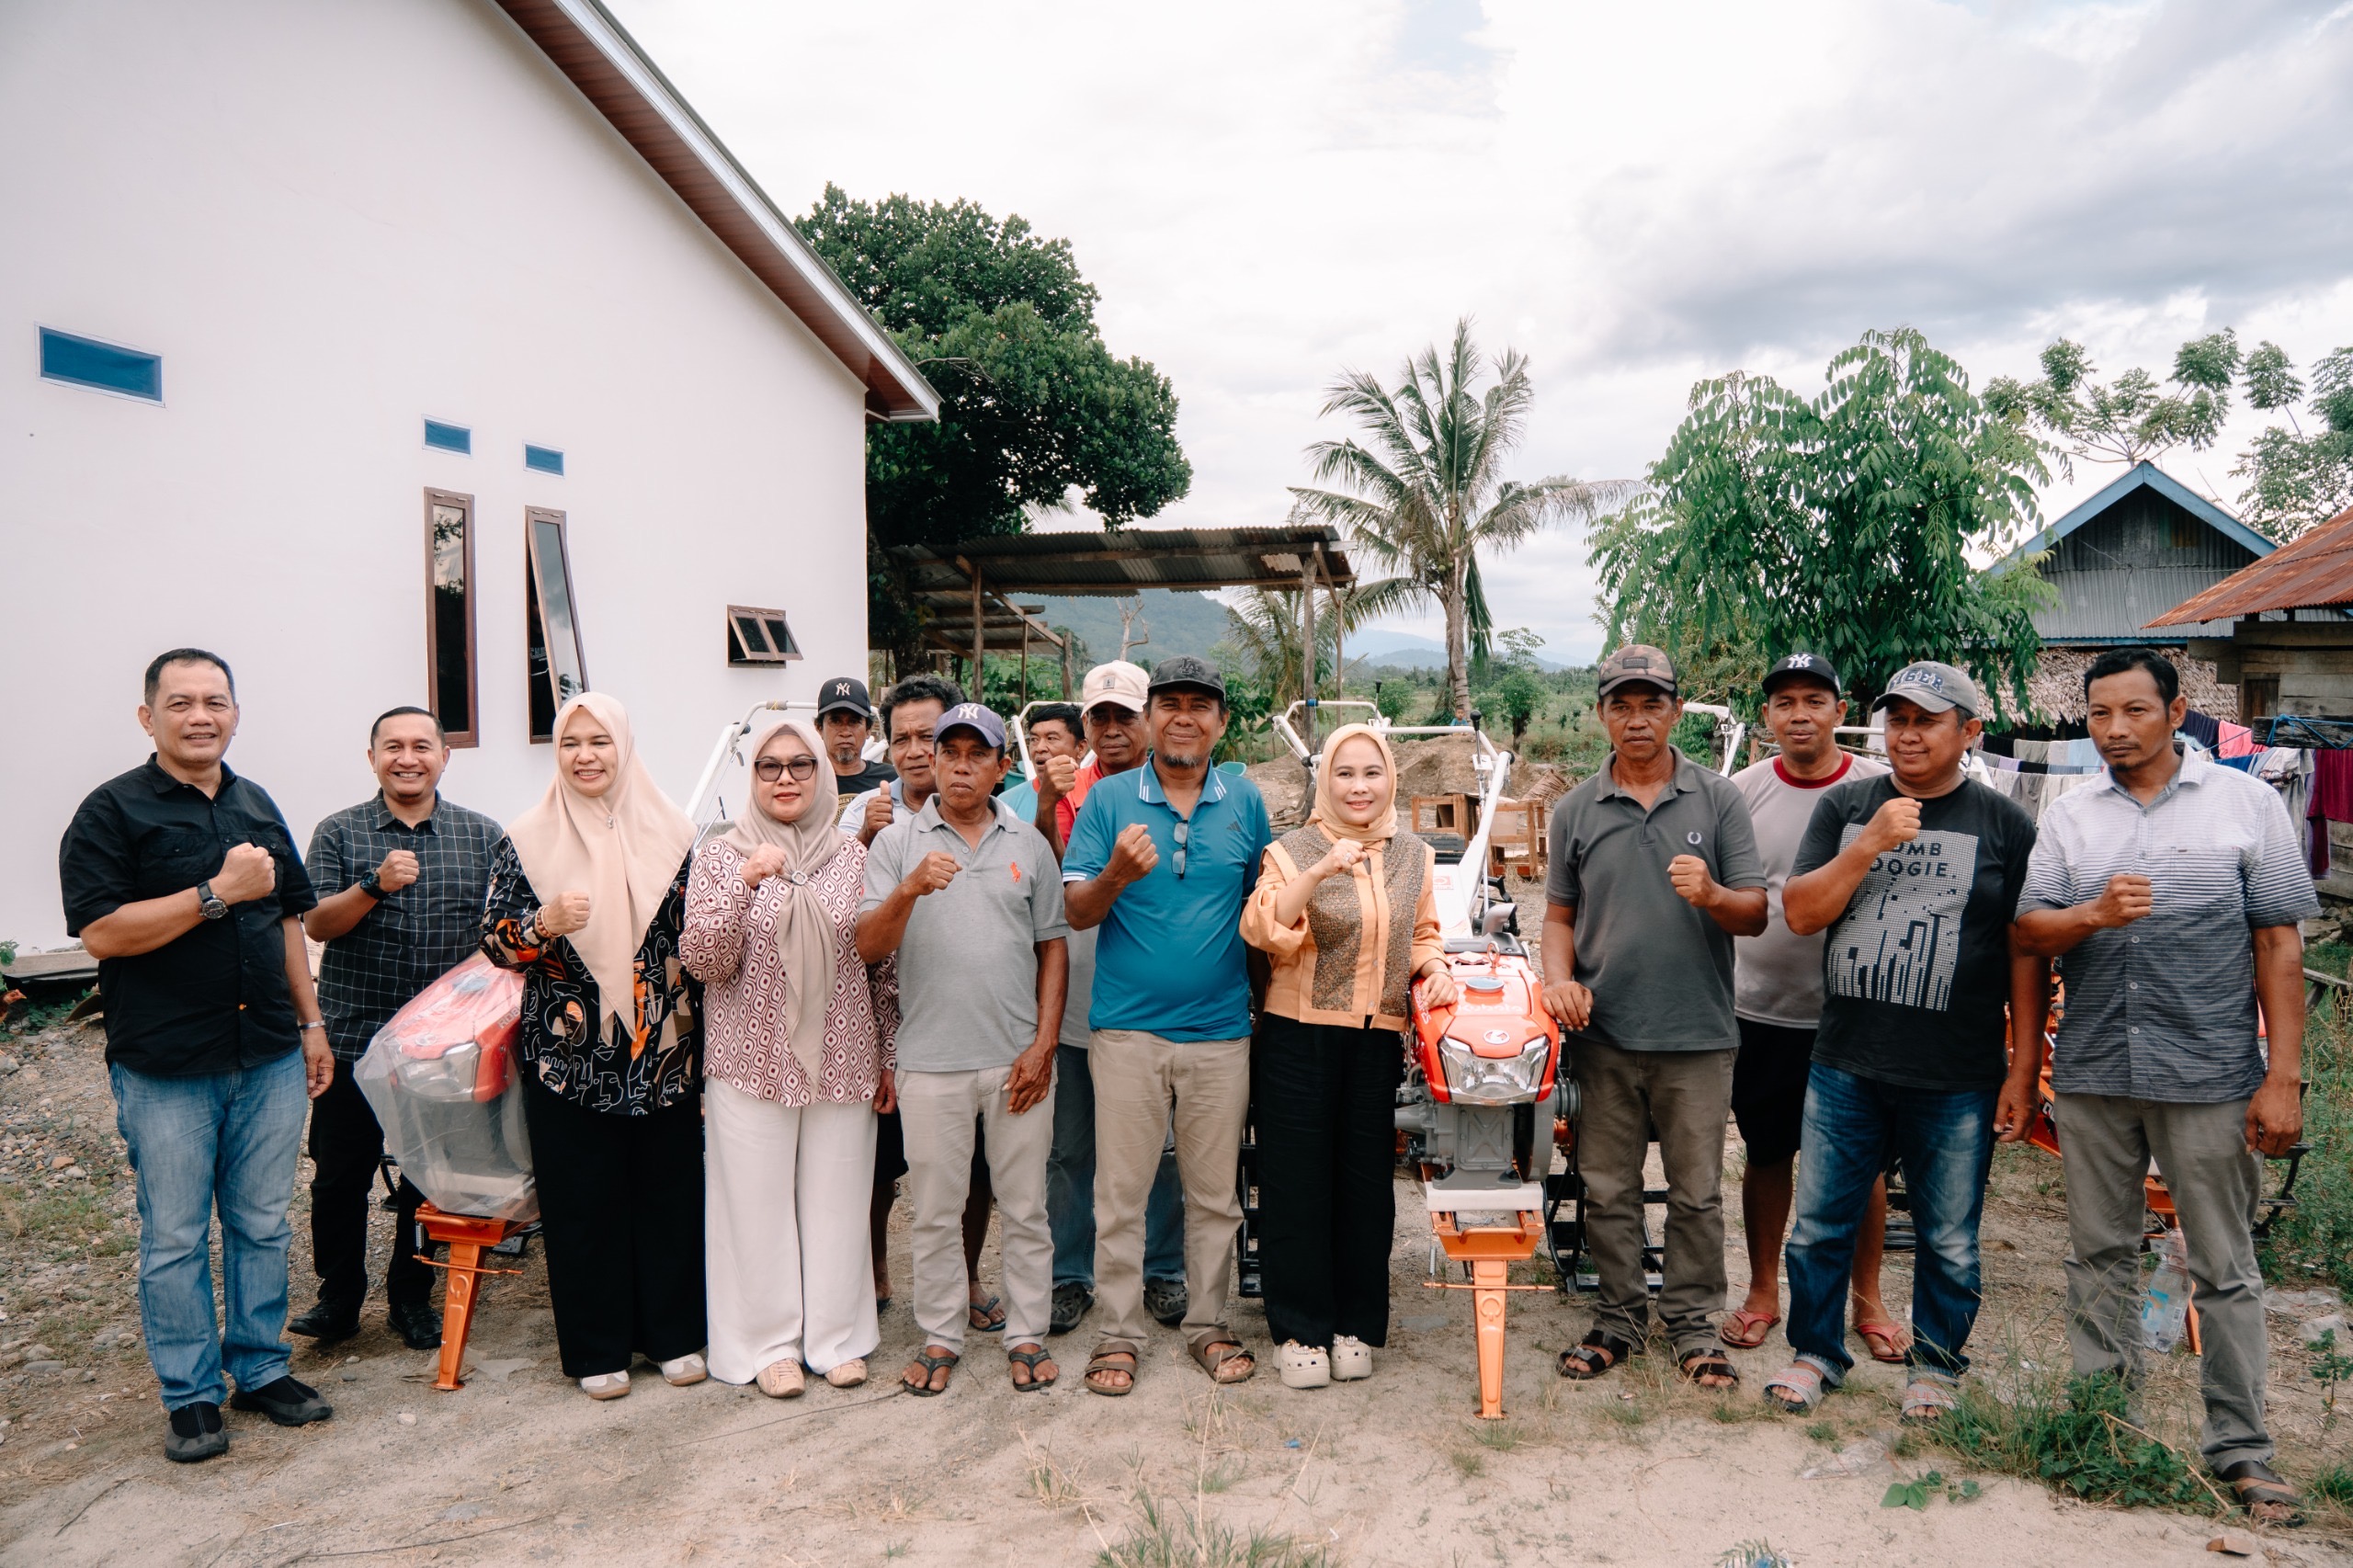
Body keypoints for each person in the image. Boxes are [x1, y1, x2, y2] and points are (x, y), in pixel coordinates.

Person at [2014, 648, 2317, 1526]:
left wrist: (2283, 1078)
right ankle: (2104, 1429)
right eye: (2099, 714)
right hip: (2097, 1071)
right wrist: (2093, 916)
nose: (2114, 730)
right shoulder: (2071, 819)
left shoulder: (2246, 805)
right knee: (2098, 1258)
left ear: (2176, 711)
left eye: (2134, 711)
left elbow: (2278, 944)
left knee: (2223, 1267)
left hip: (2211, 1075)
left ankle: (2242, 1451)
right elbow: (2032, 933)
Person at [61, 649, 335, 1463]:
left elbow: (288, 920)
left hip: (269, 1057)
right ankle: (190, 1396)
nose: (200, 715)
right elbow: (101, 932)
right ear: (149, 718)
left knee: (261, 1224)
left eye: (215, 700)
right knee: (175, 1237)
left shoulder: (256, 803)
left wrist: (311, 1024)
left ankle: (259, 1368)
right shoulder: (112, 812)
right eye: (180, 702)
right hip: (166, 1067)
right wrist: (215, 892)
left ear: (236, 713)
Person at [1765, 661, 2046, 1425]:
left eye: (1926, 720)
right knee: (1821, 1222)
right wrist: (1868, 845)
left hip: (1956, 1069)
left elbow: (2027, 951)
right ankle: (1816, 1352)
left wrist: (2023, 1071)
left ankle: (1936, 1367)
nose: (1908, 734)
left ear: (1969, 731)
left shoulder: (2006, 825)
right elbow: (1800, 912)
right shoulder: (1849, 806)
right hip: (1848, 1058)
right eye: (1897, 720)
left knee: (1948, 1235)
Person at [1540, 644, 1767, 1391]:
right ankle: (1619, 1318)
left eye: (1651, 704)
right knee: (1607, 1189)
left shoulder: (1717, 799)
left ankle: (1695, 1325)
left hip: (1697, 1033)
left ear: (1676, 710)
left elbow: (1756, 913)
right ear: (1602, 713)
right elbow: (1558, 918)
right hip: (1604, 1034)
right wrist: (1558, 980)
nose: (1637, 720)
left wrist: (1712, 894)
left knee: (1697, 1190)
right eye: (1621, 705)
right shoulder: (1576, 808)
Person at [480, 692, 708, 1401]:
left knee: (669, 1200)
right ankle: (597, 1348)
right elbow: (495, 943)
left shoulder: (674, 831)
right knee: (583, 1207)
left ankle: (673, 1336)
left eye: (599, 741)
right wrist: (541, 924)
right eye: (571, 743)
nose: (585, 755)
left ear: (624, 748)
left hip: (664, 1055)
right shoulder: (526, 837)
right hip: (569, 1059)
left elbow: (697, 945)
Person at [1063, 656, 1273, 1395]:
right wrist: (1117, 872)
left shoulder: (1246, 802)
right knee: (1121, 1192)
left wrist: (1266, 1019)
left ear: (1222, 721)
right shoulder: (1110, 800)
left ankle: (1207, 1325)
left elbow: (1260, 921)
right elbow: (1077, 912)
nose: (1185, 716)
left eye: (1201, 704)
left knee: (1213, 1197)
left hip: (1221, 1033)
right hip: (1127, 1032)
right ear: (1150, 717)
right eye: (1171, 703)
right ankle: (1116, 1334)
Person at [857, 703, 1067, 1394]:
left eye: (979, 753)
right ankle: (942, 1336)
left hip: (1015, 1063)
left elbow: (1052, 948)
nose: (960, 765)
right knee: (937, 1211)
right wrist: (911, 889)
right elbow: (868, 946)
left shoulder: (1027, 843)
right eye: (951, 752)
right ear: (935, 762)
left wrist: (1042, 1046)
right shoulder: (897, 844)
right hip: (929, 1062)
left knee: (1025, 1206)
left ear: (1002, 767)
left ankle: (1027, 1332)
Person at [682, 717, 895, 1398]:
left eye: (800, 765)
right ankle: (767, 1344)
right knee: (756, 1206)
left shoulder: (855, 857)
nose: (785, 779)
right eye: (769, 767)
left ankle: (835, 1338)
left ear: (822, 775)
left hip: (844, 1059)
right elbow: (705, 962)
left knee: (837, 1203)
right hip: (750, 1060)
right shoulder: (720, 856)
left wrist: (888, 1054)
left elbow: (882, 968)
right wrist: (746, 881)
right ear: (752, 777)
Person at [1242, 724, 1450, 1389]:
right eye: (1344, 774)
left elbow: (1420, 934)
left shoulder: (1413, 854)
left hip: (1374, 1042)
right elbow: (1266, 929)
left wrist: (1436, 967)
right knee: (1296, 1183)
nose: (1359, 787)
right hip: (1297, 1037)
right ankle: (1299, 1329)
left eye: (1371, 773)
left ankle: (1353, 1323)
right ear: (1324, 781)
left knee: (1364, 1187)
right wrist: (1321, 869)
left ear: (1391, 779)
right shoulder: (1290, 850)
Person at [297, 706, 502, 1352]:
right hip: (355, 1039)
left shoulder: (482, 835)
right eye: (393, 746)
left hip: (442, 1047)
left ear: (445, 757)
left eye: (421, 746)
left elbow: (496, 937)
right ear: (372, 758)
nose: (407, 757)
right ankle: (339, 1298)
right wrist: (373, 885)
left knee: (427, 1175)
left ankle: (411, 1298)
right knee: (339, 1175)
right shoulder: (340, 832)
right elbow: (316, 925)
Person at [1722, 655, 1903, 1362]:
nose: (1799, 714)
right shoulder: (1742, 793)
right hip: (1760, 1009)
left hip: (1855, 1013)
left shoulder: (1876, 790)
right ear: (1767, 716)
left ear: (1839, 708)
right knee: (1768, 1154)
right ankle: (1764, 1290)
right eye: (1784, 702)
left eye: (1814, 700)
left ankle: (1869, 1299)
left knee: (1865, 1165)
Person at [836, 672, 1004, 1331]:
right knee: (878, 1160)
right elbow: (840, 916)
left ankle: (965, 1276)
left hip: (963, 1013)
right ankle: (873, 1276)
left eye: (926, 735)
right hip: (878, 1011)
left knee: (973, 1163)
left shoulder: (997, 814)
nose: (913, 750)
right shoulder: (866, 815)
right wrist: (864, 843)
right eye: (901, 737)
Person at [1031, 662, 1188, 1336]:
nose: (1115, 728)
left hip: (1150, 1011)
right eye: (1102, 717)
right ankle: (1070, 1275)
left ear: (1148, 719)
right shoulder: (1061, 790)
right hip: (1075, 1003)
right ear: (1085, 726)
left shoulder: (1181, 787)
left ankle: (1164, 1269)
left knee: (1160, 1149)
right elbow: (1051, 884)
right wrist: (1042, 799)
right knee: (1070, 1151)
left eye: (1127, 715)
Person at [1000, 702, 1081, 823]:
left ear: (1081, 748)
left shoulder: (1096, 797)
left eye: (1051, 738)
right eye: (1034, 739)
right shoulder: (1006, 804)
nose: (1039, 748)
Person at [817, 676, 897, 797]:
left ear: (868, 729)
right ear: (819, 728)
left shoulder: (892, 780)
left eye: (854, 721)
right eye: (835, 721)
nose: (845, 732)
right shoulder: (806, 780)